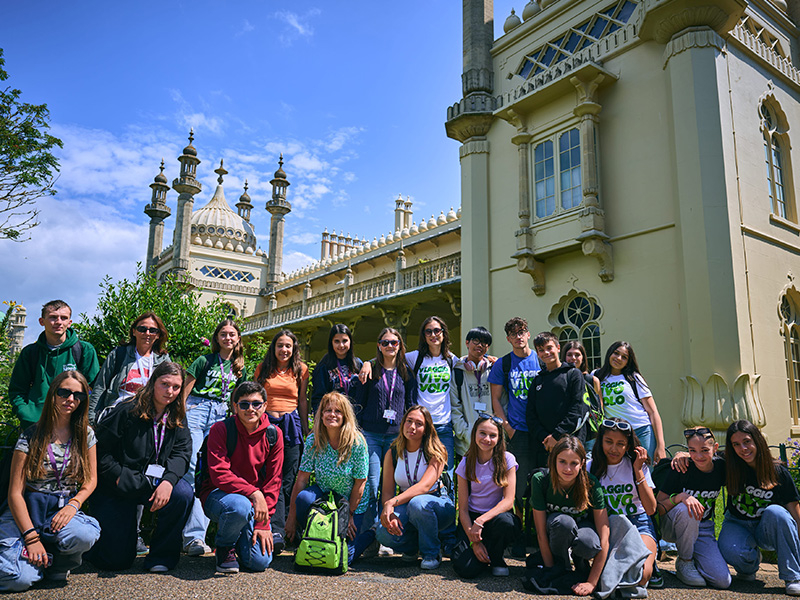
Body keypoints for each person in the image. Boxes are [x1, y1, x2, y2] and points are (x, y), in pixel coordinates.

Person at [87, 362, 193, 573]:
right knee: (115, 561)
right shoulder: (127, 410)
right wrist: (118, 476)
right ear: (153, 383)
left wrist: (169, 481)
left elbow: (182, 453)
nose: (170, 391)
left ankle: (161, 557)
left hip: (154, 481)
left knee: (182, 494)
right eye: (164, 384)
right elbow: (100, 452)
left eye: (176, 387)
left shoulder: (177, 414)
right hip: (119, 484)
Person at [0, 372, 100, 591]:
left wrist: (74, 505)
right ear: (53, 394)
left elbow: (91, 480)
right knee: (17, 579)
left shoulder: (85, 434)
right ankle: (33, 560)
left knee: (85, 533)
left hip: (61, 507)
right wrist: (31, 538)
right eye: (64, 392)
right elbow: (15, 493)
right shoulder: (31, 435)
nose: (71, 399)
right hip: (29, 508)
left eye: (78, 395)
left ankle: (56, 564)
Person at [198, 382, 284, 574]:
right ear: (235, 407)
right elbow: (219, 474)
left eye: (256, 404)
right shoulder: (221, 429)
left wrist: (263, 523)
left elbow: (274, 481)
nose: (250, 409)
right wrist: (254, 493)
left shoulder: (274, 434)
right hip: (218, 496)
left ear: (265, 406)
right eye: (244, 404)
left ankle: (238, 535)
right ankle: (224, 547)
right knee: (239, 506)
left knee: (259, 562)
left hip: (253, 504)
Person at [181, 318, 248, 556]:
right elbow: (186, 388)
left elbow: (237, 398)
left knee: (210, 473)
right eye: (223, 334)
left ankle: (197, 537)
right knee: (189, 468)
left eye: (232, 334)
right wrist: (179, 414)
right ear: (217, 338)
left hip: (220, 415)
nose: (228, 338)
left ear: (237, 339)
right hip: (197, 409)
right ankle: (184, 534)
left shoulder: (239, 368)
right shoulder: (204, 360)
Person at [285, 392, 373, 564]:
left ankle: (371, 535)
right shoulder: (314, 439)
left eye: (338, 411)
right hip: (325, 496)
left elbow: (360, 483)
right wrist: (291, 518)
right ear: (321, 414)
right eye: (328, 410)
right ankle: (309, 535)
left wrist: (348, 515)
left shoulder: (357, 442)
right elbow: (301, 479)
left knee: (342, 558)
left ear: (345, 416)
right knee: (304, 498)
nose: (332, 414)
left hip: (351, 501)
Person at [718, 420, 800, 596]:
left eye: (747, 441)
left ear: (757, 440)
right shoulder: (728, 465)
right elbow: (703, 456)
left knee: (777, 512)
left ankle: (793, 577)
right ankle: (748, 566)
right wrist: (682, 455)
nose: (743, 448)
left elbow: (796, 514)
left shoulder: (778, 472)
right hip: (737, 523)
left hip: (767, 528)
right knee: (727, 547)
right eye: (736, 444)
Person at [351, 328, 417, 529]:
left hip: (395, 436)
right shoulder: (370, 370)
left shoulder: (406, 372)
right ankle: (370, 530)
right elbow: (359, 402)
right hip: (371, 434)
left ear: (400, 346)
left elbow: (411, 404)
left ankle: (386, 529)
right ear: (379, 346)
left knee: (391, 485)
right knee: (371, 484)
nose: (390, 346)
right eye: (385, 342)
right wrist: (357, 431)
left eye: (394, 342)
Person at [375, 405, 455, 570]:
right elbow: (388, 492)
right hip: (406, 504)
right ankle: (412, 549)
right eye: (409, 421)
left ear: (426, 430)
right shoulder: (393, 452)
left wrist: (392, 502)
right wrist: (390, 513)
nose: (412, 427)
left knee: (418, 504)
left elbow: (425, 486)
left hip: (437, 504)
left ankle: (431, 553)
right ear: (403, 423)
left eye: (419, 424)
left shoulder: (437, 451)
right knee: (383, 532)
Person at [529, 436, 609, 597]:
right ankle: (561, 566)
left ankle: (581, 566)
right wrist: (552, 571)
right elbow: (541, 533)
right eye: (562, 461)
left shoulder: (591, 484)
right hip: (556, 529)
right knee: (564, 523)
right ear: (553, 460)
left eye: (574, 463)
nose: (568, 468)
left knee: (589, 542)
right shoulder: (541, 480)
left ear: (582, 463)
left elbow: (604, 536)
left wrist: (592, 582)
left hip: (582, 526)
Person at [588, 417, 660, 593]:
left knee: (642, 575)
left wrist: (638, 470)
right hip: (608, 525)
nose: (614, 448)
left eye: (620, 444)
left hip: (639, 522)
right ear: (600, 441)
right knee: (609, 575)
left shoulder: (637, 465)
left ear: (628, 446)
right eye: (608, 442)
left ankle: (647, 563)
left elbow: (651, 509)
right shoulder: (591, 466)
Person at [254, 328, 309, 554]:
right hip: (267, 426)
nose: (284, 349)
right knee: (269, 475)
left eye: (288, 346)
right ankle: (271, 528)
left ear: (294, 348)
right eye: (280, 345)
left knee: (289, 478)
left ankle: (288, 529)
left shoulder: (301, 369)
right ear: (274, 348)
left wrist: (306, 429)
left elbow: (302, 400)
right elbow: (255, 398)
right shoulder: (263, 368)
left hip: (291, 426)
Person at [656, 427, 730, 589]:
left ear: (715, 448)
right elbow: (659, 507)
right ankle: (685, 561)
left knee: (722, 581)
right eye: (692, 450)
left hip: (702, 528)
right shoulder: (681, 468)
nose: (699, 456)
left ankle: (696, 558)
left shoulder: (721, 467)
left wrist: (684, 453)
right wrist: (680, 497)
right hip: (673, 524)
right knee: (687, 508)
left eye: (705, 450)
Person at [9, 300, 100, 430]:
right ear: (42, 321)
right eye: (53, 317)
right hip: (34, 424)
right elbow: (17, 389)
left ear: (69, 322)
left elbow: (93, 389)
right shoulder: (30, 353)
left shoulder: (84, 350)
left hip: (72, 425)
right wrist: (25, 413)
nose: (58, 322)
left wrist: (84, 417)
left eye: (64, 318)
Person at [453, 413, 518, 578]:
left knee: (506, 522)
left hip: (495, 518)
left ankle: (496, 558)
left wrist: (481, 521)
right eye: (482, 433)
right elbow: (463, 509)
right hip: (472, 518)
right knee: (466, 570)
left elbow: (509, 501)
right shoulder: (466, 462)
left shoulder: (507, 460)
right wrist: (474, 541)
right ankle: (482, 554)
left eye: (492, 435)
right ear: (474, 433)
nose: (487, 439)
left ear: (499, 438)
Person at [88, 312, 171, 425]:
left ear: (158, 335)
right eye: (142, 329)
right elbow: (100, 387)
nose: (147, 333)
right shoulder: (119, 354)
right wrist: (91, 419)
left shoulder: (163, 360)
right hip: (118, 415)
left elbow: (170, 389)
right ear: (134, 332)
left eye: (153, 330)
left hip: (149, 417)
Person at [594, 341, 665, 462]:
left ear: (628, 361)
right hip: (615, 434)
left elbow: (653, 412)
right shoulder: (596, 376)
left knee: (645, 469)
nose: (618, 358)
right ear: (609, 353)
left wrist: (661, 446)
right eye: (616, 353)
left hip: (641, 431)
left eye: (624, 357)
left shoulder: (634, 378)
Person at [526, 332, 587, 470]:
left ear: (558, 348)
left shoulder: (573, 374)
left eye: (549, 348)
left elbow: (577, 409)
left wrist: (556, 436)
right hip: (544, 447)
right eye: (541, 350)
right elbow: (530, 415)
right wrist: (546, 438)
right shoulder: (537, 381)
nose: (546, 353)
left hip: (570, 444)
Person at [451, 326, 494, 459]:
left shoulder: (493, 371)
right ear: (467, 343)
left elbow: (502, 402)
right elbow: (454, 407)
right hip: (465, 446)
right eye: (476, 341)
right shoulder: (457, 372)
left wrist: (497, 432)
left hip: (491, 443)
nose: (480, 345)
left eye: (484, 342)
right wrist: (466, 433)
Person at [311, 324, 362, 414]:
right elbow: (318, 399)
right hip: (334, 416)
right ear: (331, 343)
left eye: (345, 341)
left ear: (350, 341)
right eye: (337, 341)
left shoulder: (358, 364)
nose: (341, 345)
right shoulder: (323, 367)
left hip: (356, 416)